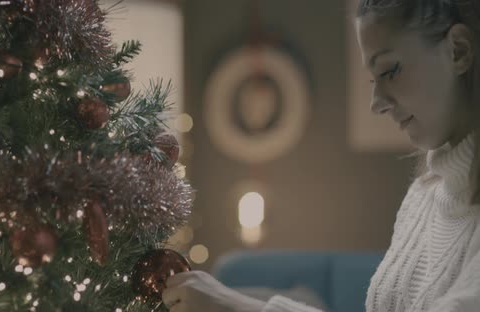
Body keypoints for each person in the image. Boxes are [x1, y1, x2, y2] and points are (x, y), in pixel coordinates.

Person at [161, 0, 480, 311]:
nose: (376, 103)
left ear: (459, 51)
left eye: (390, 71)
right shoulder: (422, 197)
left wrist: (236, 305)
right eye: (373, 79)